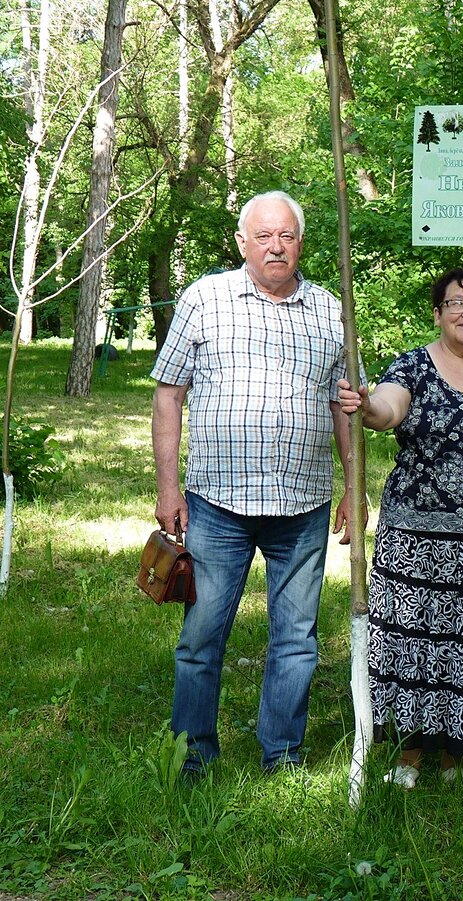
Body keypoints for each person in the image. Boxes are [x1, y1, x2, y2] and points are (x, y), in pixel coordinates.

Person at [152, 190, 354, 776]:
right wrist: (169, 490)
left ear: (301, 243)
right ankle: (192, 753)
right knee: (201, 638)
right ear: (242, 243)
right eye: (263, 235)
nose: (275, 246)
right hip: (218, 502)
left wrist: (354, 485)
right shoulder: (205, 299)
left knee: (296, 639)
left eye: (286, 235)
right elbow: (169, 393)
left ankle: (283, 754)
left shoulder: (329, 311)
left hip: (304, 501)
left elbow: (344, 405)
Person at [336, 269, 463, 788]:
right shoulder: (414, 366)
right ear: (438, 311)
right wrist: (368, 405)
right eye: (455, 303)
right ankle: (410, 754)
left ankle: (456, 755)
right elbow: (387, 408)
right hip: (418, 539)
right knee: (415, 645)